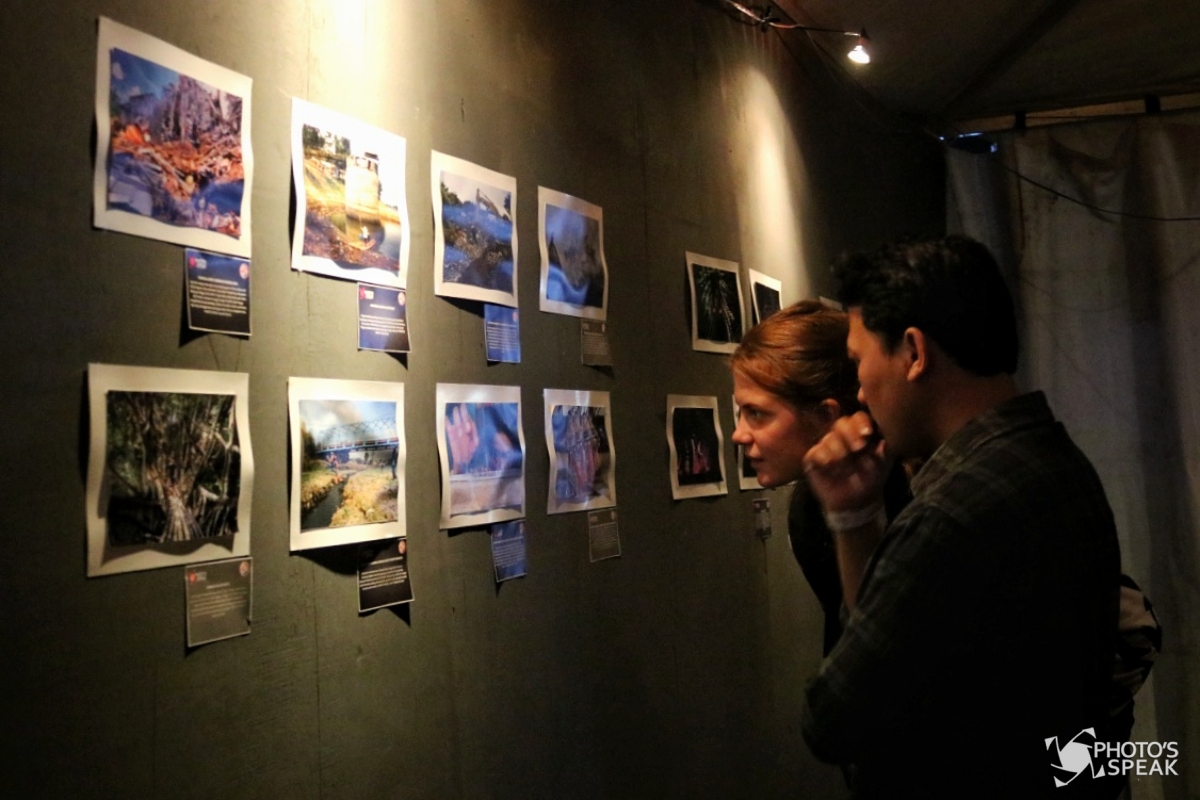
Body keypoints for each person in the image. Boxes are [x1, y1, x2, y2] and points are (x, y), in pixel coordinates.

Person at [800, 235, 1123, 798]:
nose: (860, 392)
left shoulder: (953, 512)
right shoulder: (1054, 460)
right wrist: (854, 515)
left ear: (914, 353)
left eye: (859, 361)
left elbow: (834, 719)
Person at [731, 300, 910, 657]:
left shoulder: (904, 492)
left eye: (757, 414)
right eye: (741, 412)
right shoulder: (809, 505)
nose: (739, 434)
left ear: (827, 415)